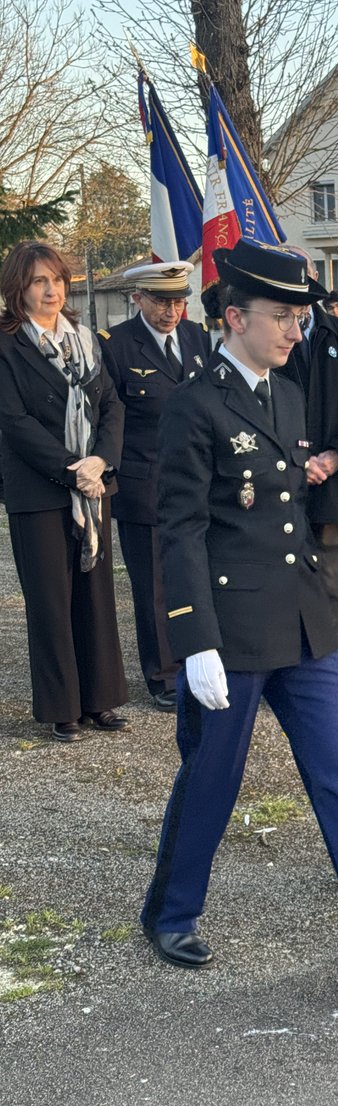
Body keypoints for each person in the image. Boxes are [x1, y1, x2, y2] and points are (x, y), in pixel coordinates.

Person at [140, 238, 338, 992]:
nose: (294, 330)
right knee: (213, 777)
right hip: (233, 631)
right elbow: (180, 528)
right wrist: (194, 639)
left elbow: (289, 512)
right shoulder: (196, 404)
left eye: (298, 317)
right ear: (233, 317)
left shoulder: (288, 394)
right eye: (281, 317)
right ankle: (172, 913)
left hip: (304, 624)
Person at [0, 241, 129, 743]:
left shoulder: (87, 341)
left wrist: (101, 460)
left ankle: (100, 700)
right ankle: (63, 709)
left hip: (94, 485)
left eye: (57, 279)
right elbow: (13, 421)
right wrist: (73, 468)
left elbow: (113, 407)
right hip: (41, 490)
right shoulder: (8, 345)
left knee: (96, 596)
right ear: (18, 289)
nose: (51, 290)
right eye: (39, 282)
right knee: (51, 601)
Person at [99, 261, 212, 711]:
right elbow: (109, 417)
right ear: (138, 299)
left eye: (179, 301)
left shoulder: (197, 337)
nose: (171, 311)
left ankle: (199, 659)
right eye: (162, 301)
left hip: (197, 479)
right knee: (154, 586)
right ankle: (164, 675)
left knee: (199, 576)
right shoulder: (117, 345)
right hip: (144, 482)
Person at [276, 253, 338, 672]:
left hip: (337, 484)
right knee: (282, 582)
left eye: (306, 282)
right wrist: (295, 463)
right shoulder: (267, 341)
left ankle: (333, 675)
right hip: (278, 484)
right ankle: (285, 670)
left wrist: (335, 456)